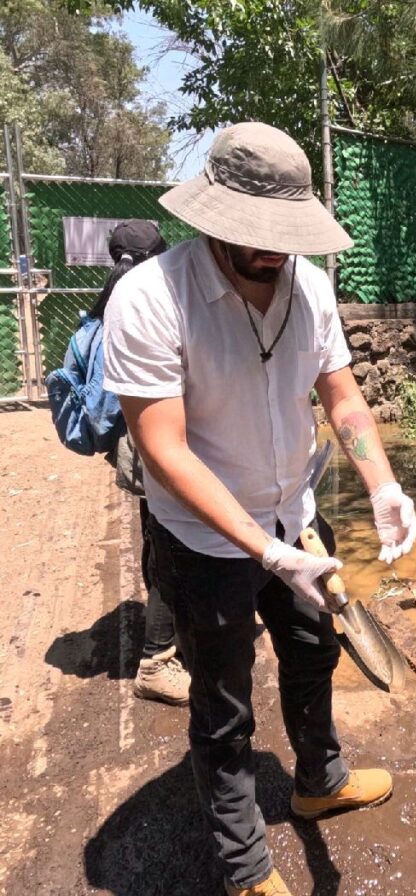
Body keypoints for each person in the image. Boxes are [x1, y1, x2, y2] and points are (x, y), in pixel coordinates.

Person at [102, 122, 416, 896]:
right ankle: (244, 867)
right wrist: (264, 552)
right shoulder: (151, 299)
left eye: (285, 234)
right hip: (207, 541)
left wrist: (382, 485)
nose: (273, 252)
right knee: (224, 702)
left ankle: (319, 780)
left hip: (298, 515)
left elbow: (341, 397)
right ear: (211, 216)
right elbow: (164, 451)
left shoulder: (309, 286)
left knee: (314, 652)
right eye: (256, 235)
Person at [91, 220, 191, 705]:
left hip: (138, 454)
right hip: (160, 451)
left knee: (157, 542)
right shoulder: (148, 301)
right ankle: (156, 660)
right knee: (174, 553)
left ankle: (167, 628)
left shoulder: (110, 297)